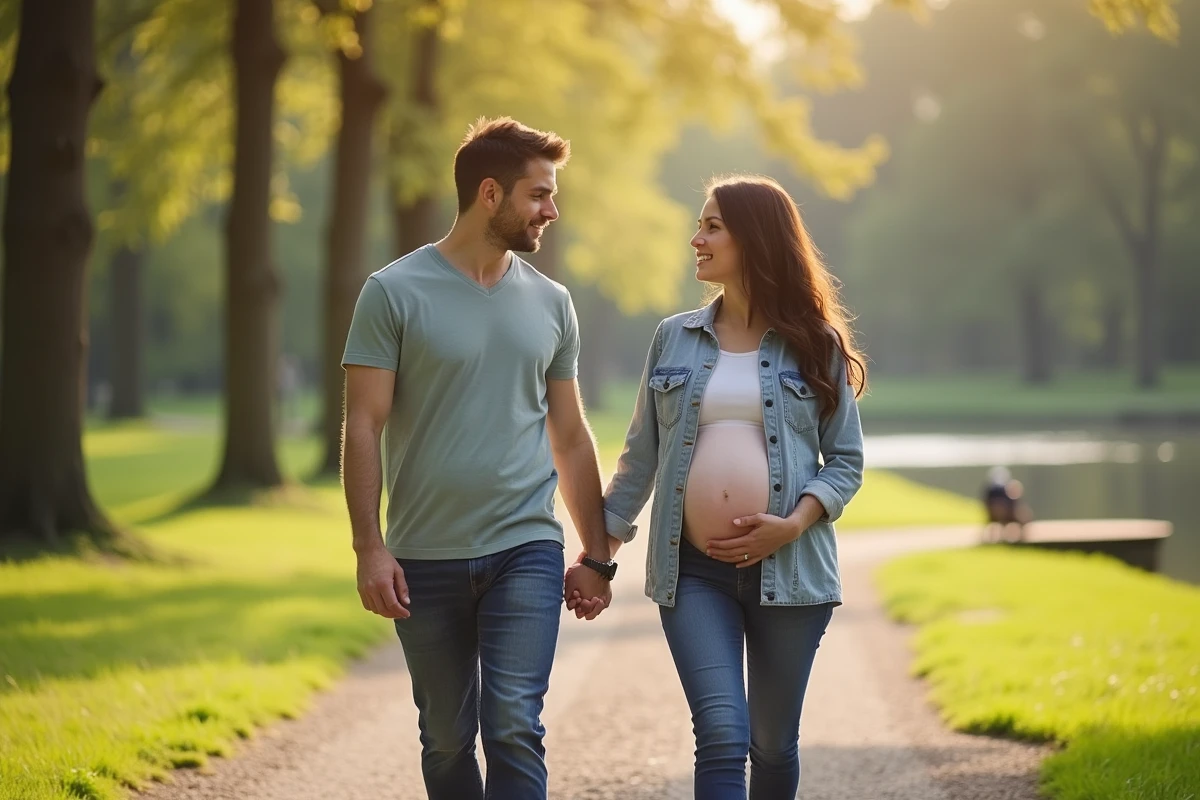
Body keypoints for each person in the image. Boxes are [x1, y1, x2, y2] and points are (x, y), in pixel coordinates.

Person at [340, 117, 615, 800]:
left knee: (514, 722)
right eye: (539, 195)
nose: (551, 210)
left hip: (525, 545)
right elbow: (363, 423)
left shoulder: (553, 303)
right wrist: (369, 548)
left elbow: (572, 438)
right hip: (423, 556)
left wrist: (598, 555)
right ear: (489, 195)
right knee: (446, 737)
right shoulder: (392, 292)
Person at [591, 174, 866, 799]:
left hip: (792, 575)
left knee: (771, 746)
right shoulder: (674, 337)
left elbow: (844, 461)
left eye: (712, 226)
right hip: (694, 574)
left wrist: (791, 524)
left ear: (755, 238)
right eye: (701, 225)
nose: (697, 238)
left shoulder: (814, 344)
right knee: (720, 733)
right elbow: (640, 460)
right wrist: (596, 556)